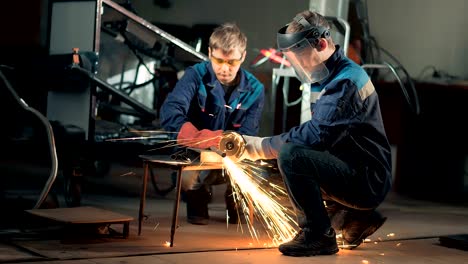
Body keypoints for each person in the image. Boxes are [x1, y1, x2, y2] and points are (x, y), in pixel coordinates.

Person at [236, 10, 392, 256]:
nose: (297, 64)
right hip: (349, 166)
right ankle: (353, 217)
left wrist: (258, 146)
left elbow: (316, 135)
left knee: (290, 156)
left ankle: (318, 234)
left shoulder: (346, 82)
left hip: (366, 178)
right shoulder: (327, 75)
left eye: (300, 57)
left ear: (320, 44)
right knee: (276, 167)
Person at [159, 23, 265, 225]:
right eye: (218, 60)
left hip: (230, 153)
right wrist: (199, 138)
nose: (224, 69)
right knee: (187, 177)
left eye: (232, 62)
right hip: (195, 151)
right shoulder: (195, 75)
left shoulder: (255, 90)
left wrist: (228, 145)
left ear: (242, 57)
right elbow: (170, 111)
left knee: (256, 170)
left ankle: (235, 200)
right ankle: (197, 198)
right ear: (209, 53)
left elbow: (248, 132)